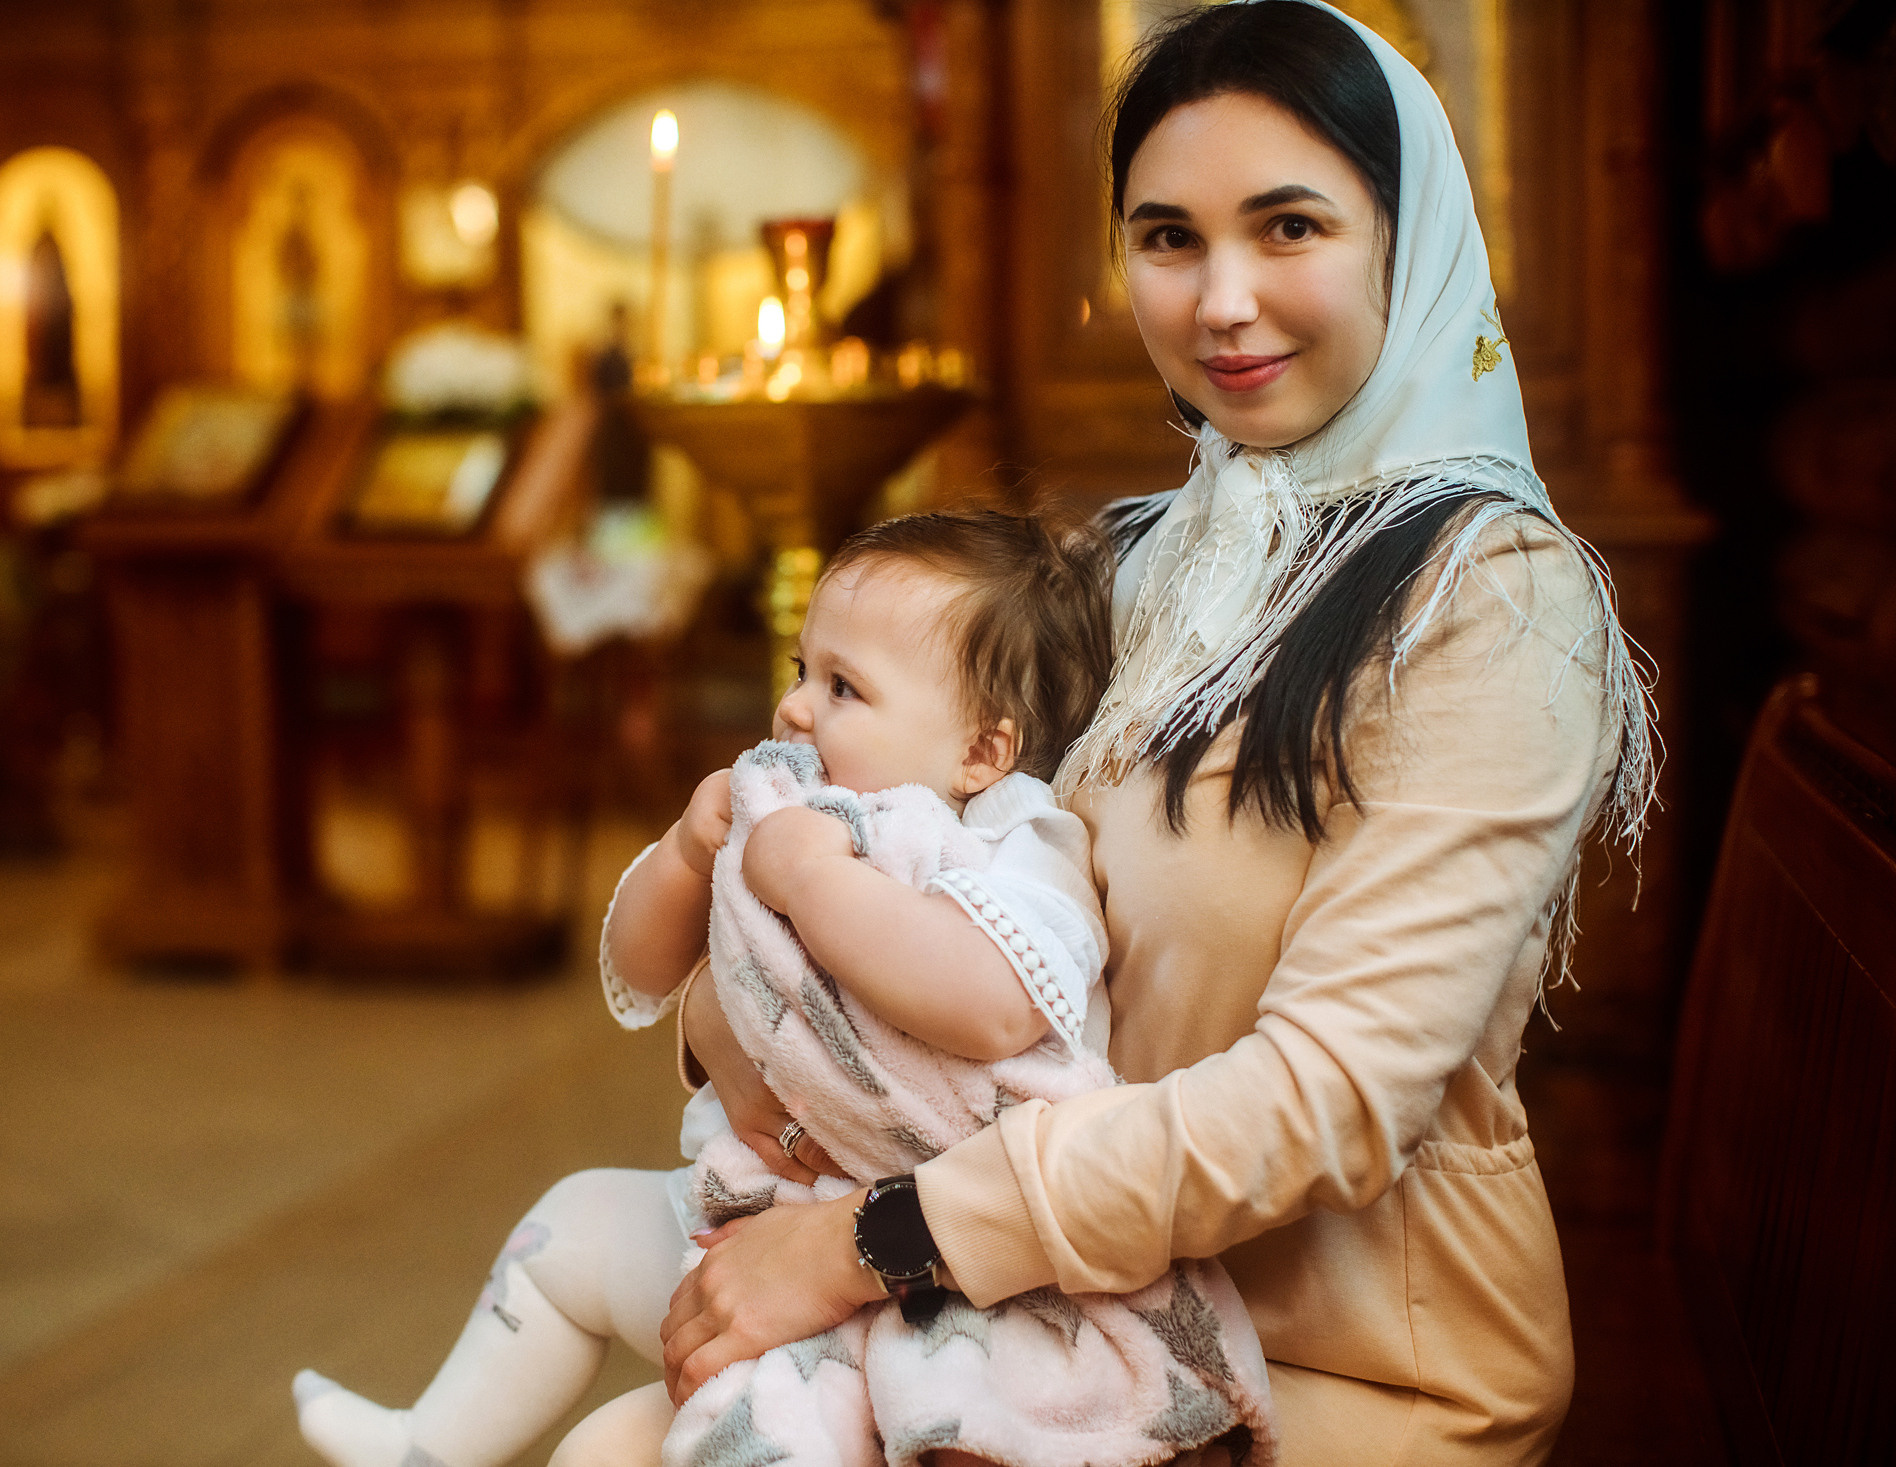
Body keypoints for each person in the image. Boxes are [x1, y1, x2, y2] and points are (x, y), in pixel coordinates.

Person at [652, 4, 1656, 1467]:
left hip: (1353, 1361)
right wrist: (753, 1008)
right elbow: (936, 885)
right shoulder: (1138, 559)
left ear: (1408, 233)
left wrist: (874, 1239)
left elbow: (1329, 1097)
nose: (1222, 301)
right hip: (1067, 1301)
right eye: (1169, 237)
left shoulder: (1489, 601)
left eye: (1290, 226)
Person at [300, 510, 1254, 1467]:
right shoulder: (783, 806)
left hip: (945, 1277)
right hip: (754, 1212)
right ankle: (425, 1444)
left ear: (983, 752)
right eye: (803, 670)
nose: (796, 707)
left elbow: (996, 1005)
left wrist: (813, 882)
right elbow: (639, 970)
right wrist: (686, 852)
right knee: (571, 1225)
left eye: (845, 687)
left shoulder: (1016, 844)